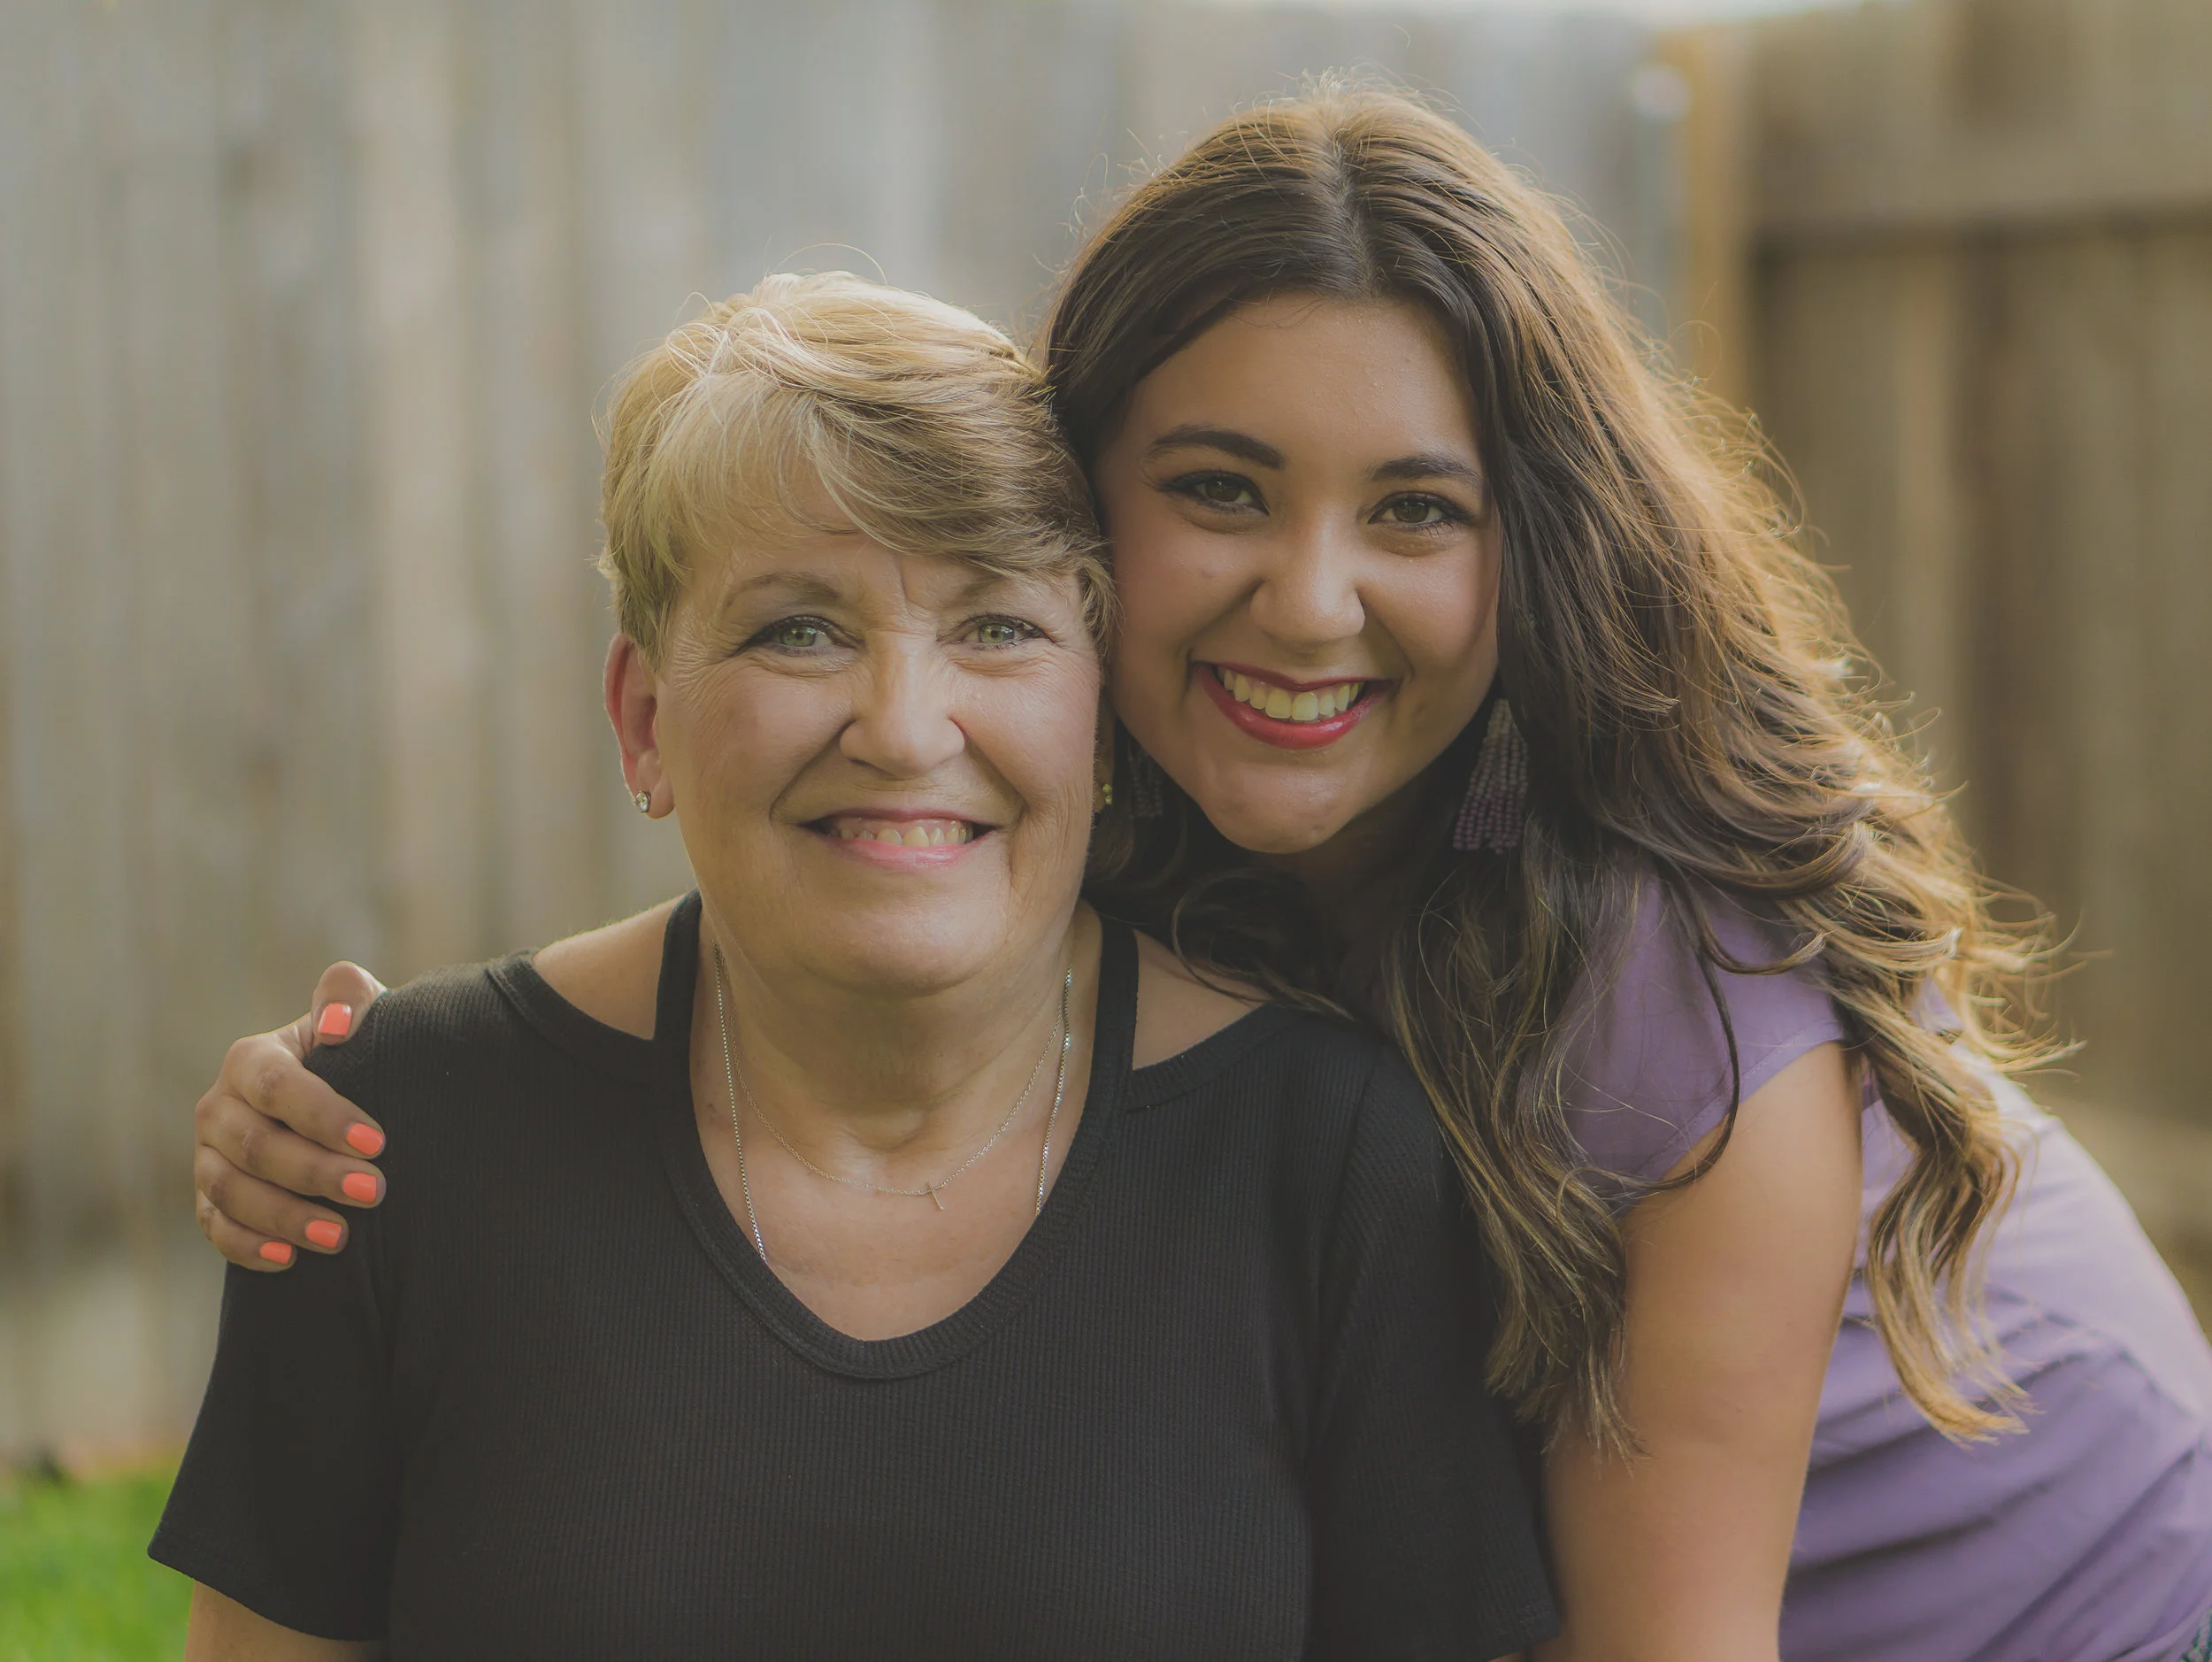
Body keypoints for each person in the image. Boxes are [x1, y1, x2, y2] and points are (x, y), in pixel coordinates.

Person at [188, 88, 2212, 1661]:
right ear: (1075, 530)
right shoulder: (1131, 801)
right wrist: (379, 1093)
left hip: (2037, 1597)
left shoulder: (1664, 1007)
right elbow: (797, 912)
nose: (1304, 601)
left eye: (1412, 509)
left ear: (1537, 556)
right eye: (1218, 490)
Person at [152, 273, 1555, 1660]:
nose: (902, 726)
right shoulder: (375, 1136)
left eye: (996, 625)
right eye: (799, 629)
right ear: (644, 718)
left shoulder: (1335, 1159)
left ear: (1103, 712)